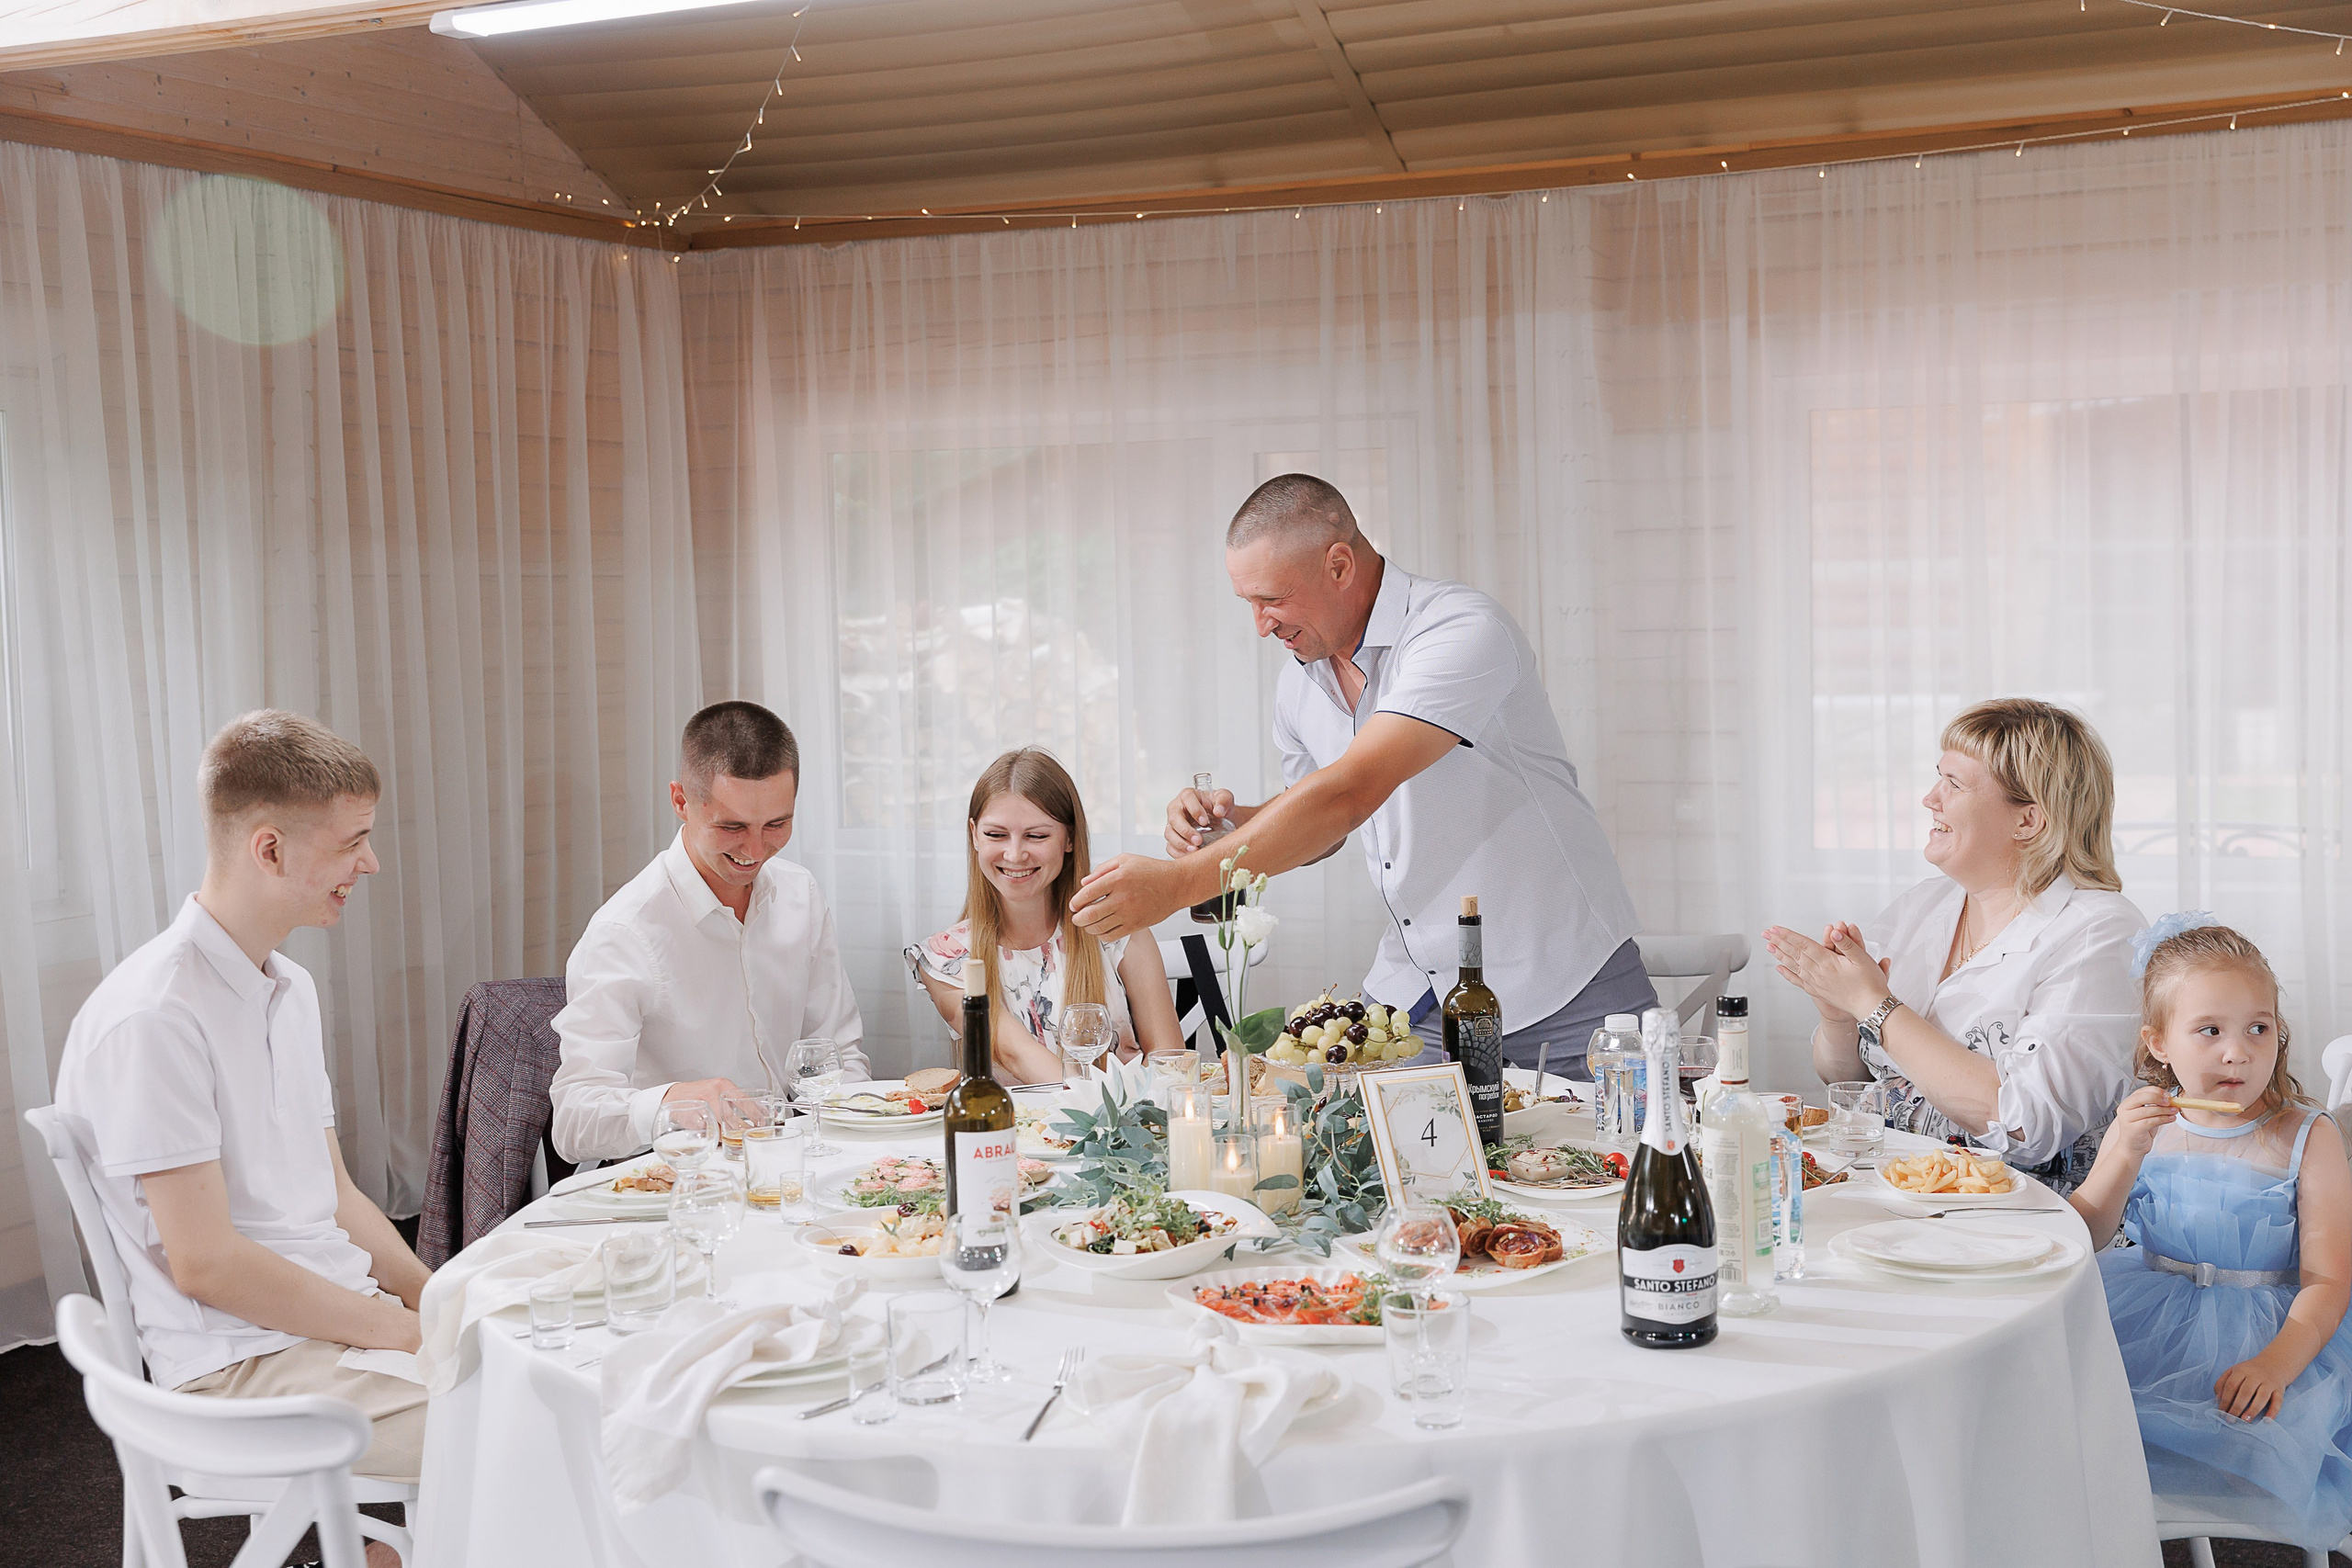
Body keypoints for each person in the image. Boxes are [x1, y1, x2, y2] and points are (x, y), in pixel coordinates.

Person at [1070, 473, 1651, 1077]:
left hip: (1562, 979)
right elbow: (1322, 824)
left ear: (1340, 565)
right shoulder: (1300, 677)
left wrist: (1175, 885)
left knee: (1621, 1158)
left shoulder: (1457, 629)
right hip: (1418, 991)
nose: (1261, 624)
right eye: (1248, 603)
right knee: (1363, 1158)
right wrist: (1230, 825)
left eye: (1272, 599)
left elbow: (1349, 793)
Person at [51, 712, 430, 1549]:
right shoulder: (156, 1018)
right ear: (269, 849)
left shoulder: (288, 986)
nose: (370, 862)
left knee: (535, 1371)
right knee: (531, 1419)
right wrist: (399, 1331)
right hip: (238, 1368)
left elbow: (334, 1196)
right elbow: (206, 1263)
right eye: (353, 841)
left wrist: (431, 1300)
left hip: (322, 1329)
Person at [1763, 697, 2143, 1190]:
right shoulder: (1924, 906)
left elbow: (2026, 1125)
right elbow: (1846, 1080)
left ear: (2027, 821)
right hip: (1895, 1193)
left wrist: (1873, 1003)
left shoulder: (2100, 931)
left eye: (1954, 784)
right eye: (1938, 777)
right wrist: (1838, 1016)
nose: (1930, 799)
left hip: (2017, 1222)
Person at [2068, 919, 2352, 1555]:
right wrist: (2121, 1154)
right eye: (2210, 1030)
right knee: (2070, 1408)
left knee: (2242, 1429)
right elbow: (2084, 1233)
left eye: (2259, 1027)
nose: (2238, 1051)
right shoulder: (2146, 1120)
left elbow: (2330, 1277)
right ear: (2159, 1042)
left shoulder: (2306, 1135)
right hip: (2150, 1312)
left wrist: (2276, 1362)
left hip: (2279, 1327)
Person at [550, 701, 865, 1163]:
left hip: (790, 1165)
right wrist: (674, 1102)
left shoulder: (801, 894)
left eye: (777, 824)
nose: (756, 850)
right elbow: (575, 1122)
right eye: (732, 826)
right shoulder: (624, 933)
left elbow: (841, 1058)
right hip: (675, 1183)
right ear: (681, 801)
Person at [908, 749, 1184, 1083]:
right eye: (995, 834)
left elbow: (1170, 1060)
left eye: (1036, 836)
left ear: (1069, 838)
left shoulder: (1117, 924)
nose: (1014, 854)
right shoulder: (945, 960)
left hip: (1124, 1129)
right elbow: (1016, 1055)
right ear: (974, 835)